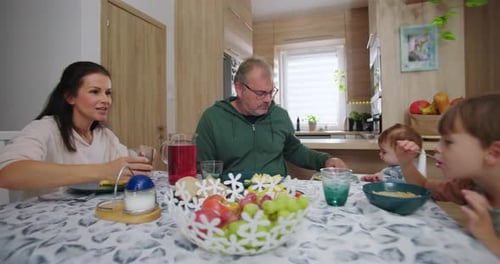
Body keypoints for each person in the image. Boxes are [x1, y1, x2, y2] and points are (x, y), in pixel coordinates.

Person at [0, 61, 152, 192]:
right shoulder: (45, 129)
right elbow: (7, 174)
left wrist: (140, 157)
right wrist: (104, 170)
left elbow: (122, 164)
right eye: (94, 92)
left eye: (108, 93)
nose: (106, 100)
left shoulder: (104, 135)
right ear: (70, 97)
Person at [195, 57, 347, 178]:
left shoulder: (279, 115)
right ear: (239, 89)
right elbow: (202, 168)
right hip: (232, 196)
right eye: (261, 93)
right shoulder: (212, 119)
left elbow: (294, 150)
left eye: (270, 92)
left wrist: (325, 160)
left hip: (278, 195)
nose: (268, 99)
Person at [395, 93, 500, 257]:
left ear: (493, 153)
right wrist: (406, 163)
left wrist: (490, 238)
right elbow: (422, 187)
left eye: (448, 142)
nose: (437, 148)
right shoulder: (468, 184)